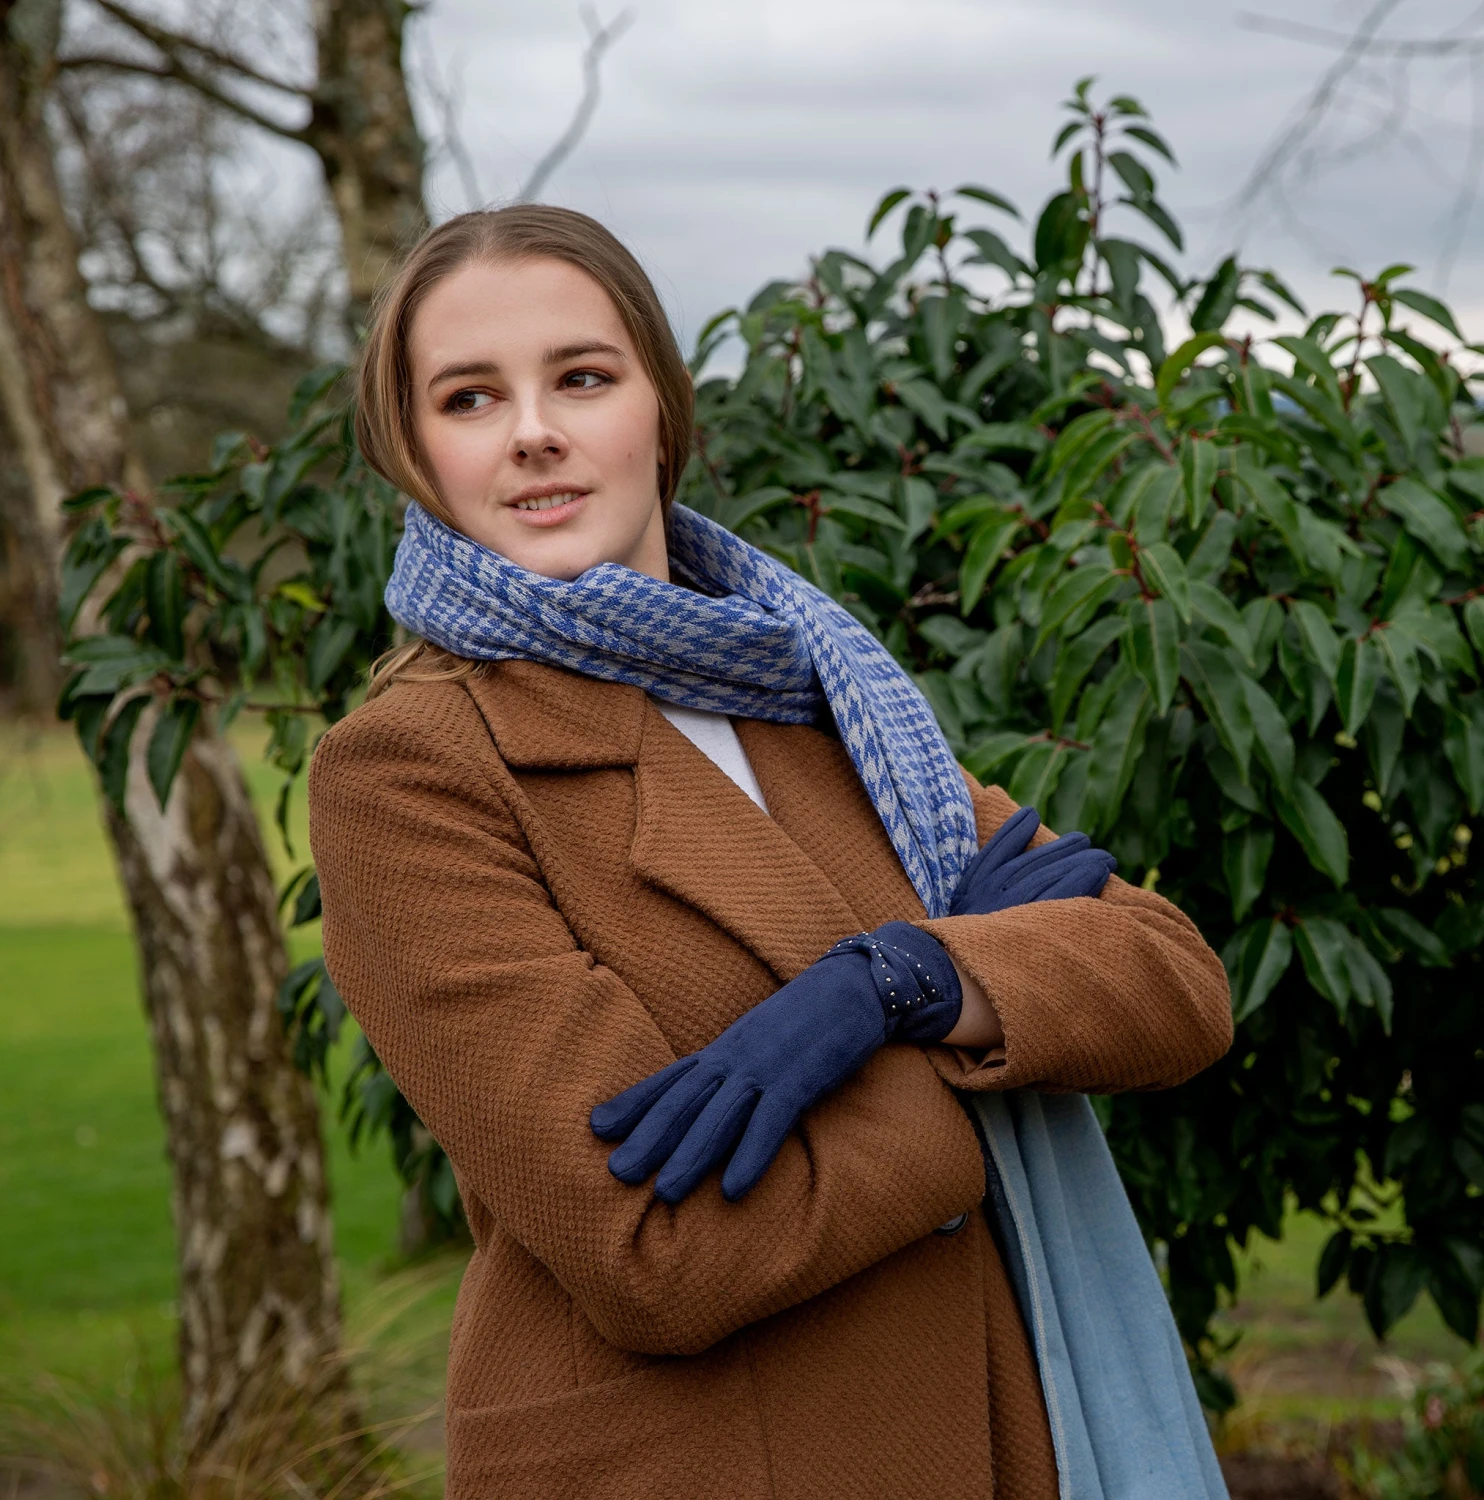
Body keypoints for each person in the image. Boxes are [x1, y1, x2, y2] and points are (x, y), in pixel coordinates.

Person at [307, 204, 1235, 1500]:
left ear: (664, 411)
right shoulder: (411, 773)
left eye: (581, 377)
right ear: (415, 453)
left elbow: (1171, 980)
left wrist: (894, 982)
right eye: (470, 398)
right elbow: (655, 1244)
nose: (533, 432)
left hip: (998, 1442)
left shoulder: (823, 693)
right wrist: (977, 1042)